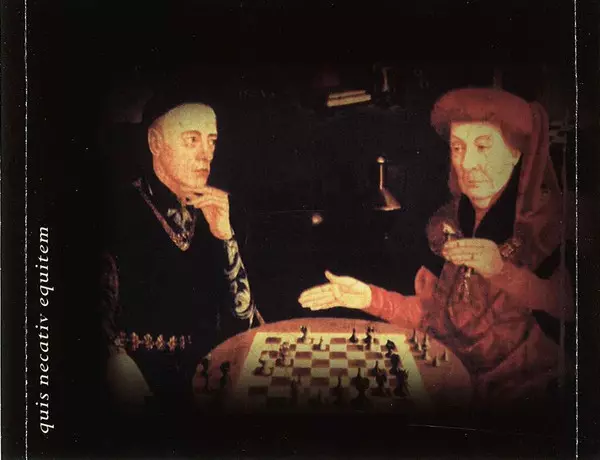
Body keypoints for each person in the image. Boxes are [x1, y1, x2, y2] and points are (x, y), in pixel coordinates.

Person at [298, 87, 574, 420]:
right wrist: (366, 297)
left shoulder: (547, 227)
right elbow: (437, 322)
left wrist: (500, 270)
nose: (467, 163)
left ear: (515, 153)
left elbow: (570, 308)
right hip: (454, 389)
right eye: (458, 147)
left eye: (483, 147)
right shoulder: (453, 223)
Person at [95, 90, 259, 418]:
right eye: (191, 140)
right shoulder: (115, 211)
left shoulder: (219, 211)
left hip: (208, 385)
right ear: (155, 143)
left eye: (211, 141)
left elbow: (244, 320)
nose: (206, 155)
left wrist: (225, 235)